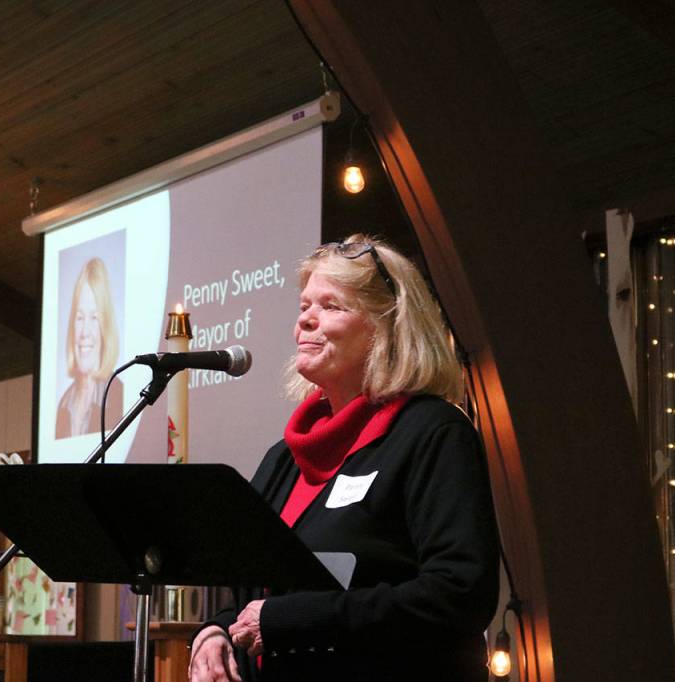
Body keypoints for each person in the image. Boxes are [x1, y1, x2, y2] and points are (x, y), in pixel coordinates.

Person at [188, 235, 499, 681]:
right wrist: (215, 632)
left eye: (331, 306)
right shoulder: (285, 457)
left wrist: (290, 620)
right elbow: (250, 591)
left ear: (387, 326)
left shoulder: (432, 433)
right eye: (303, 307)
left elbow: (459, 593)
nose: (306, 322)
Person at [56, 257, 123, 438]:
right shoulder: (64, 404)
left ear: (105, 327)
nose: (85, 331)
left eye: (94, 318)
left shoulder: (119, 396)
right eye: (79, 318)